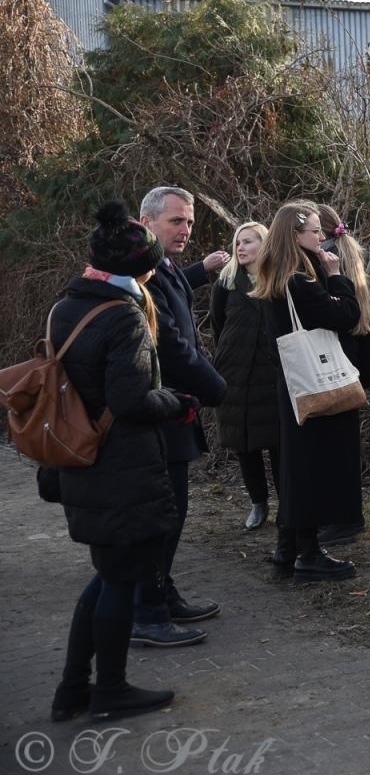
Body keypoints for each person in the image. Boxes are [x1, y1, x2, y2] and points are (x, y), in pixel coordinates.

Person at [46, 202, 193, 721]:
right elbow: (131, 400)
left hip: (82, 462)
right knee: (117, 578)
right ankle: (108, 689)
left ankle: (72, 690)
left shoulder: (70, 304)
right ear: (139, 267)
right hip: (120, 467)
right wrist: (175, 401)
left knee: (106, 575)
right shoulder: (124, 316)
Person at [131, 185, 228, 648]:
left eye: (189, 221)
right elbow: (170, 343)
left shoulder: (160, 264)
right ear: (147, 222)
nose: (186, 229)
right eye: (177, 221)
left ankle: (160, 592)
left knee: (174, 509)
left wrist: (203, 272)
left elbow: (178, 288)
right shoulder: (140, 272)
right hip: (162, 409)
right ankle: (146, 609)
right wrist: (217, 387)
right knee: (164, 511)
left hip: (177, 408)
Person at [251, 202, 364, 582]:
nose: (321, 237)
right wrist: (336, 278)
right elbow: (346, 316)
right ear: (295, 236)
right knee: (313, 464)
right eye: (315, 231)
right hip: (317, 383)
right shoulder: (301, 281)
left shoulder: (273, 276)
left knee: (297, 464)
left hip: (293, 382)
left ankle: (288, 545)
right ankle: (310, 552)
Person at [315, 203, 370, 547]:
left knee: (335, 444)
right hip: (349, 359)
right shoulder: (344, 254)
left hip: (332, 359)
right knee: (344, 442)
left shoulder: (325, 261)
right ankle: (347, 514)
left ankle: (344, 518)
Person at [210, 221, 278, 532]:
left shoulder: (278, 280)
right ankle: (258, 503)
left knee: (279, 442)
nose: (241, 247)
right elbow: (218, 324)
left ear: (263, 245)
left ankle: (288, 502)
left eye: (249, 241)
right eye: (238, 242)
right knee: (244, 443)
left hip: (271, 372)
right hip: (235, 371)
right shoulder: (225, 282)